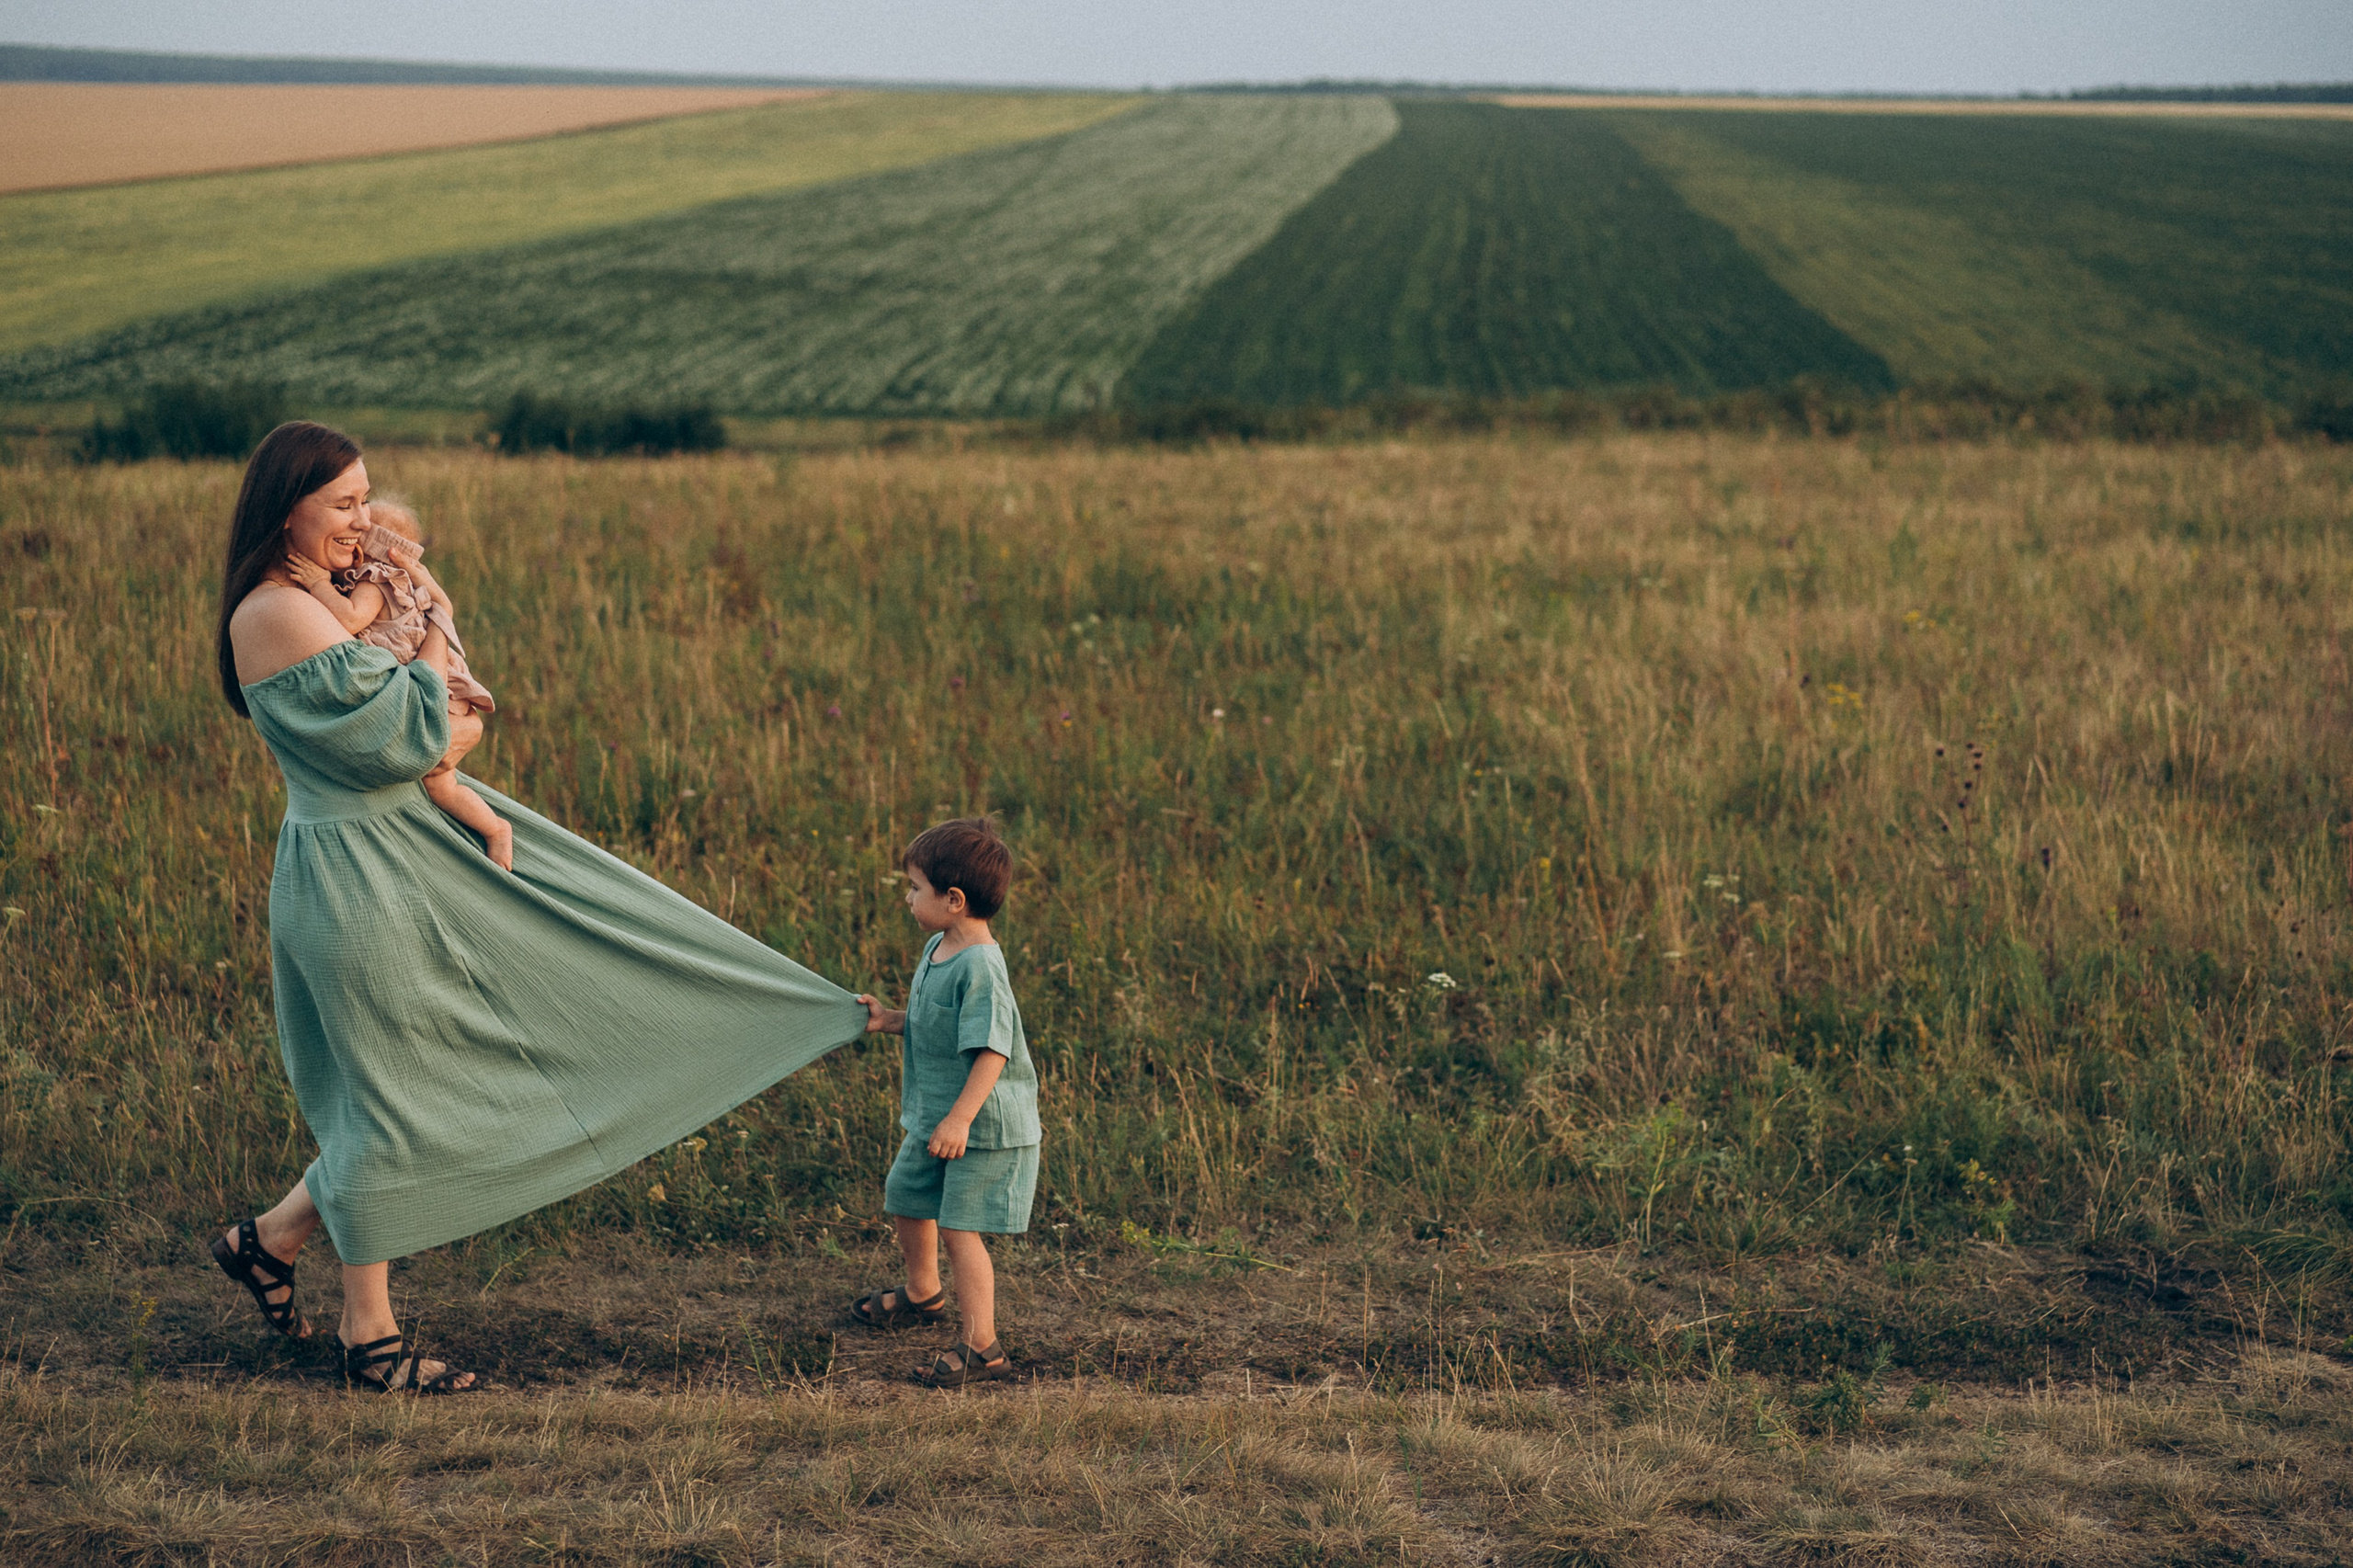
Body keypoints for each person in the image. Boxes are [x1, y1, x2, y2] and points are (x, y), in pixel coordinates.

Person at [209, 421, 867, 1393]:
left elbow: (445, 726)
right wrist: (436, 628)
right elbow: (416, 737)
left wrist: (433, 684)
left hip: (407, 848)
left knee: (433, 1065)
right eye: (343, 503)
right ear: (285, 508)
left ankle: (268, 1241)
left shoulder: (328, 599)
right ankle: (367, 1334)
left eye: (364, 497)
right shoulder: (273, 612)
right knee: (393, 1094)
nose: (363, 519)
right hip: (356, 870)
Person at [852, 818, 1041, 1388]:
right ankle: (923, 1292)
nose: (908, 899)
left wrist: (960, 1120)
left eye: (915, 888)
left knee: (959, 1228)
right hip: (934, 1118)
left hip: (980, 1127)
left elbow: (992, 1051)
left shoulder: (981, 966)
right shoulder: (939, 947)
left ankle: (984, 1349)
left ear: (953, 899)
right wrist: (891, 1020)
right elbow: (938, 1023)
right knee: (907, 1196)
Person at [284, 494, 510, 870]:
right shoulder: (400, 586)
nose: (355, 530)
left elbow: (351, 619)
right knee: (442, 786)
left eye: (364, 532)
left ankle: (496, 830)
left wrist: (318, 583)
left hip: (434, 691)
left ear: (383, 550)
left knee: (437, 780)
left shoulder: (376, 581)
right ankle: (493, 829)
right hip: (437, 687)